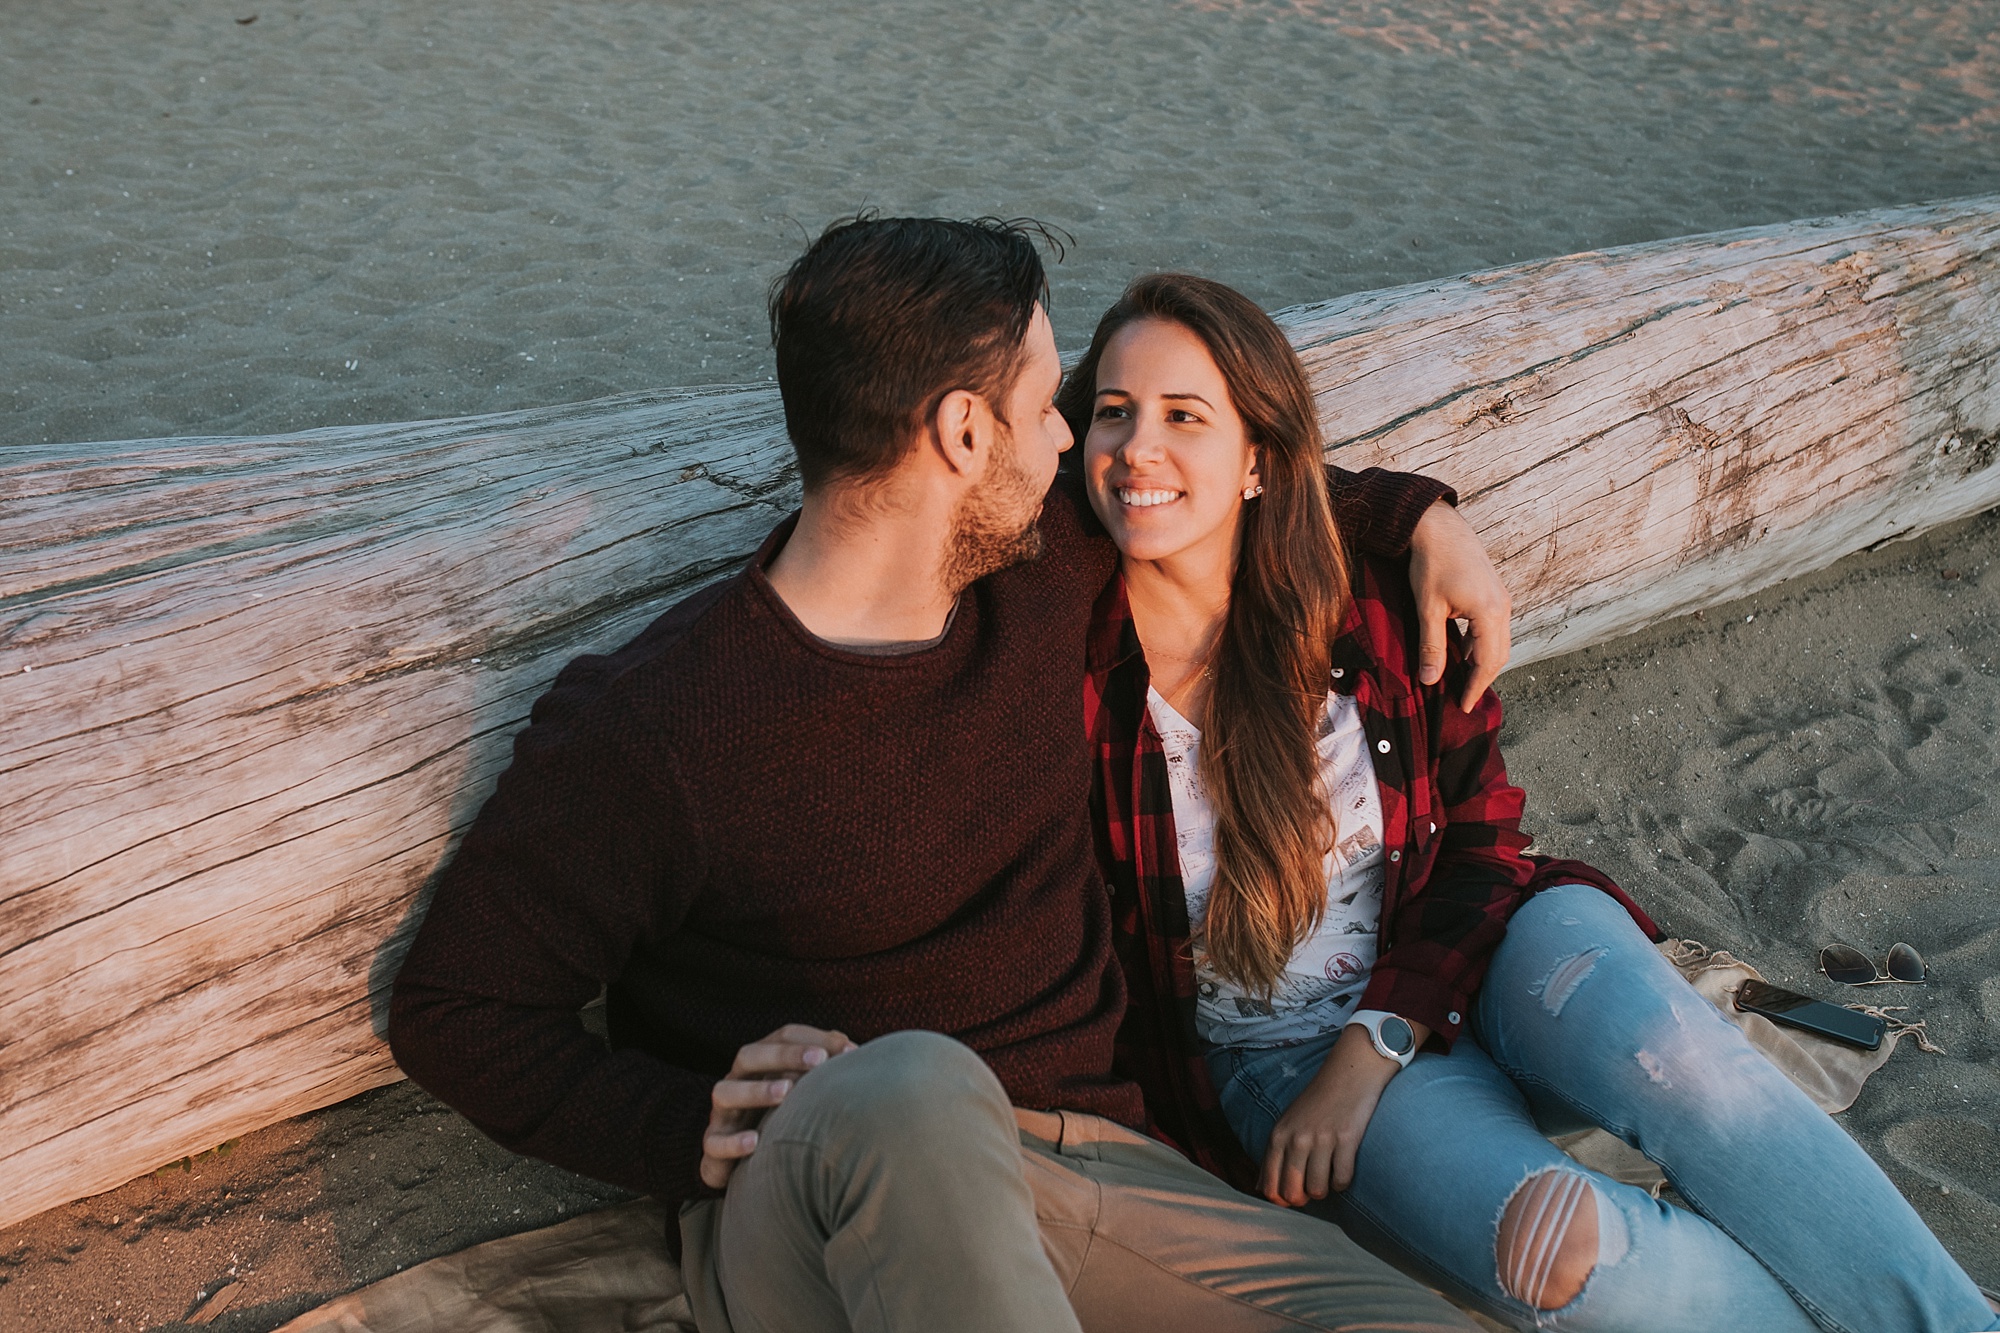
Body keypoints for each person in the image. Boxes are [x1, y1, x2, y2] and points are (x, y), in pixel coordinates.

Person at [387, 216, 1511, 1333]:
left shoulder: (1037, 567)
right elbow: (458, 1008)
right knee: (913, 1082)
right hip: (828, 1197)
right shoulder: (660, 723)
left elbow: (1226, 477)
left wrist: (1423, 519)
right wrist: (688, 1125)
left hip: (1098, 1173)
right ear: (965, 433)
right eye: (1046, 411)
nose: (1073, 446)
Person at [1067, 270, 2000, 1333]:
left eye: (1183, 415)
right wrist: (1339, 1069)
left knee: (1695, 1072)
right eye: (1111, 410)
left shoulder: (1369, 598)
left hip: (1492, 947)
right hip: (1279, 1060)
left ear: (1258, 461)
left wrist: (1380, 1028)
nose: (1136, 444)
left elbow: (1476, 839)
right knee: (1558, 1247)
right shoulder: (1068, 665)